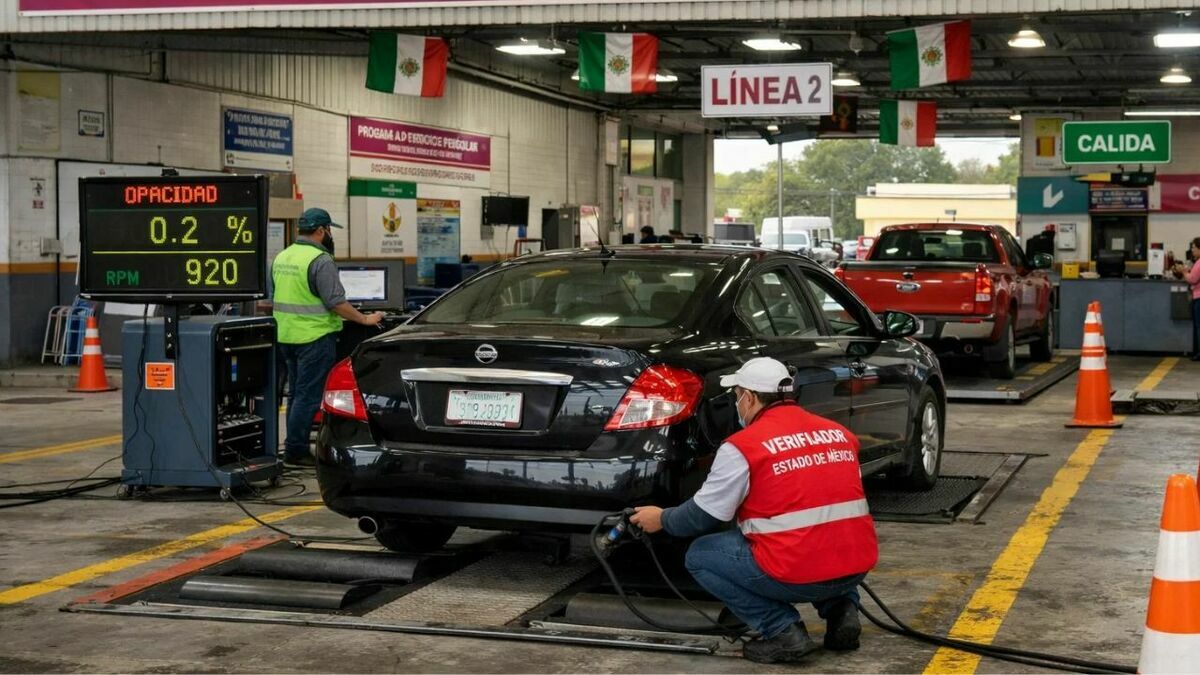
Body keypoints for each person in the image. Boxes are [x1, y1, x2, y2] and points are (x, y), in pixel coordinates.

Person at [630, 357, 878, 664]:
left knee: (701, 555)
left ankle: (782, 631)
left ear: (748, 397)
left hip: (797, 574)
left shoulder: (744, 446)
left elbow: (702, 517)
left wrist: (662, 518)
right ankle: (842, 613)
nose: (737, 404)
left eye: (737, 396)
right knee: (829, 533)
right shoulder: (840, 434)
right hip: (854, 568)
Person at [272, 208, 383, 465]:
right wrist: (365, 319)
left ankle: (293, 446)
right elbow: (336, 303)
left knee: (296, 394)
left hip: (286, 336)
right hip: (314, 337)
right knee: (308, 397)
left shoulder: (282, 256)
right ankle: (296, 452)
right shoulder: (320, 260)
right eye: (330, 230)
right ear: (322, 231)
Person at [1187, 237, 1200, 361]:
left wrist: (1184, 272)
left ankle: (1199, 352)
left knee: (1199, 326)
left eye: (1194, 247)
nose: (1192, 250)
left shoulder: (1199, 263)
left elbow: (1192, 279)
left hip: (1199, 298)